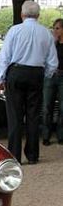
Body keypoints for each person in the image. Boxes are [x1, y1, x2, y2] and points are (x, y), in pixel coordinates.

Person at [0, 0, 58, 165]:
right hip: (36, 74)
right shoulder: (46, 33)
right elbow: (52, 61)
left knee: (15, 116)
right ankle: (32, 154)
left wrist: (0, 78)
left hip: (16, 72)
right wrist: (46, 74)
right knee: (33, 115)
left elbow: (5, 56)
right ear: (38, 15)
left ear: (22, 14)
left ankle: (14, 155)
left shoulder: (15, 31)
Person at [42, 18, 63, 146]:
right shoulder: (51, 44)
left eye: (57, 28)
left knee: (62, 108)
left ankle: (61, 135)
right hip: (50, 76)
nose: (54, 31)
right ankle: (46, 136)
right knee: (46, 107)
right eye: (54, 28)